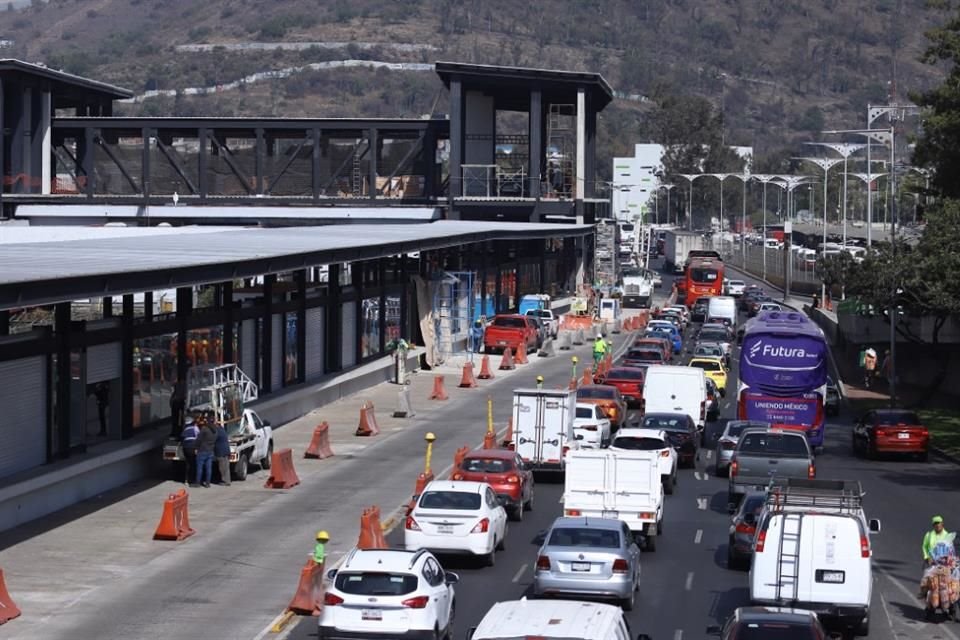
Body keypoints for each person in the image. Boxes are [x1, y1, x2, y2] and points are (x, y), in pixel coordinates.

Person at [196, 419, 217, 488]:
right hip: (210, 450)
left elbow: (198, 439)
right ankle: (208, 483)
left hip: (202, 450)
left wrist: (196, 447)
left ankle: (198, 483)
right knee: (209, 468)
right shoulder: (215, 431)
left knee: (200, 467)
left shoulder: (204, 429)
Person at [181, 417, 200, 486]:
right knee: (193, 464)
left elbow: (182, 438)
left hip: (185, 448)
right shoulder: (195, 428)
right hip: (192, 448)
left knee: (188, 464)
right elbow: (199, 436)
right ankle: (192, 480)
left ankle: (186, 479)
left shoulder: (185, 429)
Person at [214, 421, 231, 486]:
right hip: (226, 450)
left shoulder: (217, 432)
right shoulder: (222, 430)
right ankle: (228, 481)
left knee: (222, 467)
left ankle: (224, 481)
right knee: (226, 467)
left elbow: (213, 439)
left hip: (221, 452)